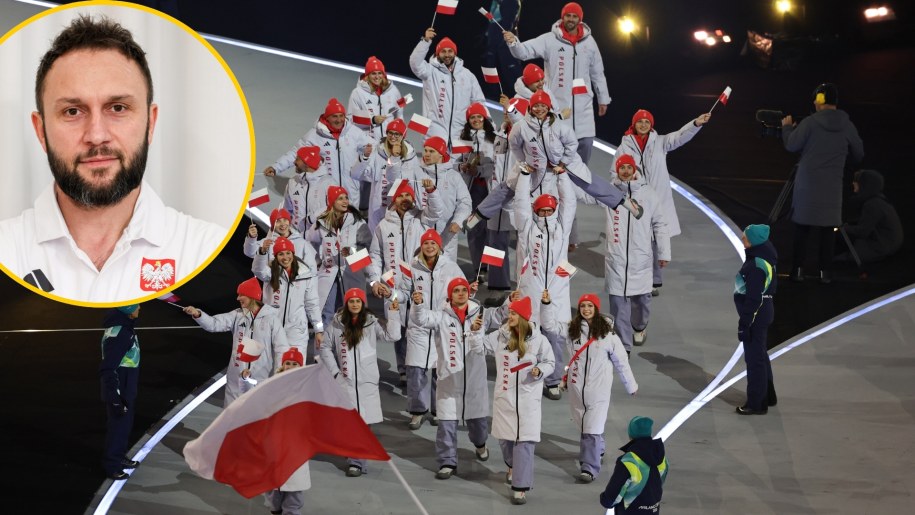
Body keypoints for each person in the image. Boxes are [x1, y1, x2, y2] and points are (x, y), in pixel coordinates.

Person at [0, 14, 226, 303]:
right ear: (41, 130)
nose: (96, 135)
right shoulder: (5, 250)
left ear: (151, 123)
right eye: (72, 111)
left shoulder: (209, 250)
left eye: (117, 108)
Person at [541, 292, 637, 483]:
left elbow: (621, 362)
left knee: (590, 429)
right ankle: (598, 448)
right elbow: (549, 325)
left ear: (596, 308)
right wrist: (546, 304)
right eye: (583, 305)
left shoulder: (608, 335)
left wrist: (631, 385)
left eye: (590, 306)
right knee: (585, 425)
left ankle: (589, 468)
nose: (586, 309)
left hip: (599, 390)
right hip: (577, 390)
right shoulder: (573, 329)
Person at [469, 295, 555, 505]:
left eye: (514, 313)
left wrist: (539, 370)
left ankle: (520, 487)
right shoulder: (501, 336)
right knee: (506, 441)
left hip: (527, 401)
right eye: (509, 313)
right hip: (504, 398)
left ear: (524, 316)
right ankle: (512, 465)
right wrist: (475, 332)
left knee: (524, 444)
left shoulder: (539, 340)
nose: (509, 316)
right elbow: (479, 349)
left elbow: (550, 362)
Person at [616, 110, 710, 296]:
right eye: (640, 122)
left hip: (658, 201)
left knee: (657, 241)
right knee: (640, 242)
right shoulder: (624, 147)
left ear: (651, 124)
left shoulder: (660, 143)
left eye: (646, 122)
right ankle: (644, 281)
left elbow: (680, 137)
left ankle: (654, 279)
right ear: (633, 124)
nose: (643, 125)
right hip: (636, 202)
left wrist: (696, 123)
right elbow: (615, 172)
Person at [502, 2, 610, 165]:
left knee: (585, 150)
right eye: (568, 15)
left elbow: (597, 71)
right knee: (558, 158)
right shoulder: (549, 40)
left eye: (574, 16)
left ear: (580, 19)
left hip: (583, 109)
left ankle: (578, 188)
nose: (571, 19)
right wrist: (513, 43)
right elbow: (524, 52)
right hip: (557, 107)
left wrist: (603, 98)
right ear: (562, 17)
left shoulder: (589, 43)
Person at [411, 277, 493, 480]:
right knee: (446, 425)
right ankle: (447, 461)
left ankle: (480, 444)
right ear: (450, 295)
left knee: (479, 426)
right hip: (449, 380)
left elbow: (501, 316)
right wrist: (419, 304)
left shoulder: (479, 313)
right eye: (456, 290)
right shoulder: (441, 316)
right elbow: (421, 320)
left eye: (463, 290)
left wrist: (510, 303)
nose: (461, 293)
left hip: (474, 381)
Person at [782, 83, 864, 284]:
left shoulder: (810, 123)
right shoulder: (847, 125)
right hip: (833, 186)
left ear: (818, 101)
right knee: (827, 230)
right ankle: (825, 274)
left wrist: (786, 128)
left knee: (802, 227)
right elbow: (859, 153)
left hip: (807, 184)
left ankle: (797, 271)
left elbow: (792, 145)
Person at [318, 288, 401, 477]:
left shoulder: (371, 323)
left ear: (363, 304)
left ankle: (356, 460)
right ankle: (356, 458)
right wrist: (335, 372)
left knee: (363, 424)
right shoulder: (337, 324)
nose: (355, 304)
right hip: (345, 381)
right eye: (351, 301)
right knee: (351, 424)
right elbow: (325, 348)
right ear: (346, 304)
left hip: (367, 382)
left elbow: (393, 336)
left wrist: (394, 314)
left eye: (358, 301)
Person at [366, 178, 441, 384]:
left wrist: (431, 191)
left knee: (419, 325)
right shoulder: (382, 226)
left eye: (408, 195)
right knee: (397, 328)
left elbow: (436, 212)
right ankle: (403, 369)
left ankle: (422, 366)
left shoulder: (422, 219)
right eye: (401, 195)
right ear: (394, 198)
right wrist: (374, 282)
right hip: (393, 286)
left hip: (420, 284)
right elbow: (375, 256)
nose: (405, 199)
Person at [514, 158, 575, 399]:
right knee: (528, 335)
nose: (546, 213)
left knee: (555, 337)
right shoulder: (527, 228)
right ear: (536, 211)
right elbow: (520, 204)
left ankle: (553, 379)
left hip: (557, 291)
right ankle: (526, 373)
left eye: (550, 210)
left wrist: (562, 176)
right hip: (531, 288)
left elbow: (569, 203)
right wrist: (524, 177)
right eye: (542, 210)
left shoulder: (562, 229)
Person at [594, 154, 669, 350]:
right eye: (622, 168)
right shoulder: (609, 192)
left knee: (642, 302)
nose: (626, 171)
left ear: (634, 170)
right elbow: (587, 192)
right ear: (617, 170)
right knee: (618, 305)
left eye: (629, 167)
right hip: (616, 260)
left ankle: (639, 326)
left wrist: (663, 253)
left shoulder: (648, 194)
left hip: (641, 260)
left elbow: (660, 224)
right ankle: (622, 345)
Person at [183, 277, 289, 406]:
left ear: (252, 296)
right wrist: (198, 314)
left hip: (259, 377)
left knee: (254, 416)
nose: (237, 298)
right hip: (236, 378)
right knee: (230, 416)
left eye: (241, 295)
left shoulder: (271, 319)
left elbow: (282, 348)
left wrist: (280, 372)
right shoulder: (237, 315)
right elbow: (214, 324)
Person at [404, 230, 472, 431]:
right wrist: (391, 294)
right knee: (416, 371)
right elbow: (402, 291)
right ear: (421, 246)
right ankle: (417, 411)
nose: (430, 246)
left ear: (440, 246)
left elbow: (462, 291)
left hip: (442, 323)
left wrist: (470, 291)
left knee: (438, 371)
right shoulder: (412, 267)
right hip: (419, 324)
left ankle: (437, 410)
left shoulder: (451, 267)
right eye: (426, 243)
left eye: (433, 243)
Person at [264, 98, 374, 208]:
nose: (339, 120)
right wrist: (276, 167)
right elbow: (295, 153)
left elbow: (374, 146)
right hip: (327, 189)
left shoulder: (353, 132)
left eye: (341, 116)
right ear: (327, 117)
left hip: (351, 189)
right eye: (334, 116)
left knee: (350, 220)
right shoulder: (315, 135)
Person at [306, 186, 372, 328]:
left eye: (346, 198)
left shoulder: (358, 221)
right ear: (331, 201)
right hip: (329, 272)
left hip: (352, 270)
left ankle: (350, 347)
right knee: (327, 312)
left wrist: (352, 251)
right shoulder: (321, 223)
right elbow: (309, 242)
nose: (345, 201)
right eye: (340, 198)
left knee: (352, 313)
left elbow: (367, 246)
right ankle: (325, 347)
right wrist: (317, 262)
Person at [252, 236, 324, 364]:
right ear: (275, 255)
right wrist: (262, 252)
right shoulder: (270, 272)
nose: (285, 257)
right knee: (274, 371)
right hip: (272, 329)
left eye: (288, 253)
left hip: (297, 331)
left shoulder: (305, 274)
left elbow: (312, 304)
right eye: (280, 254)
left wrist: (319, 330)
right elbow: (258, 270)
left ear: (293, 253)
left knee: (296, 370)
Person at [409, 28, 485, 148]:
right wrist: (425, 41)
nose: (447, 55)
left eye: (450, 51)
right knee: (435, 165)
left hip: (462, 131)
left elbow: (479, 102)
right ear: (438, 53)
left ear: (455, 53)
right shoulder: (430, 71)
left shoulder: (467, 75)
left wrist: (485, 126)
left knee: (460, 165)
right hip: (435, 129)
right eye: (443, 51)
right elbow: (415, 63)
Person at [734, 224, 778, 415]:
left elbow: (754, 298)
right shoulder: (763, 259)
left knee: (754, 360)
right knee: (760, 354)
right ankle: (767, 395)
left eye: (745, 237)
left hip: (756, 315)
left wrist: (744, 323)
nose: (742, 239)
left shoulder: (756, 266)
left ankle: (756, 403)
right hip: (764, 312)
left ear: (752, 241)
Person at [349, 118, 421, 231]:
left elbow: (416, 182)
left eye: (397, 134)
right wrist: (364, 158)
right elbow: (355, 174)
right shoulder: (377, 153)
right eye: (390, 133)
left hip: (403, 207)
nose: (393, 136)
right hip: (379, 207)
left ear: (403, 136)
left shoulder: (411, 156)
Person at [265, 347, 311, 515]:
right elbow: (255, 402)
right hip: (274, 444)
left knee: (294, 489)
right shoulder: (272, 385)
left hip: (296, 446)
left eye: (294, 363)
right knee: (273, 491)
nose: (290, 366)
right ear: (282, 365)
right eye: (288, 363)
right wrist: (244, 379)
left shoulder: (306, 387)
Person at [99, 304, 142, 480]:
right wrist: (115, 398)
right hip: (120, 389)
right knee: (118, 426)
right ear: (128, 310)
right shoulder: (122, 334)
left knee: (123, 426)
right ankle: (112, 465)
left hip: (125, 385)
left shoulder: (122, 327)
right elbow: (108, 368)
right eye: (137, 305)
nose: (140, 308)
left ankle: (119, 456)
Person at [599, 416, 668, 514]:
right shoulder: (662, 459)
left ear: (631, 434)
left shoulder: (629, 461)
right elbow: (658, 482)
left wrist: (605, 499)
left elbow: (612, 497)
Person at [418, 136, 472, 261]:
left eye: (431, 151)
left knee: (446, 275)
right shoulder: (418, 173)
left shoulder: (453, 176)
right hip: (423, 234)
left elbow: (465, 202)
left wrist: (458, 221)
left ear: (441, 154)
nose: (426, 154)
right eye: (425, 150)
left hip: (447, 235)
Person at [263, 145, 335, 236]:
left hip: (320, 240)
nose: (294, 162)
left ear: (306, 162)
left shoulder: (329, 183)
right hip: (296, 238)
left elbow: (336, 210)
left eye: (297, 159)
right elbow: (286, 211)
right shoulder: (293, 182)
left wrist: (312, 218)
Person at [838, 169, 903, 265]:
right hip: (889, 244)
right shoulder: (880, 200)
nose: (853, 184)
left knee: (837, 257)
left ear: (865, 185)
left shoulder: (872, 204)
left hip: (881, 246)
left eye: (857, 182)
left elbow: (862, 232)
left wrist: (842, 228)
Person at [347, 56, 404, 141]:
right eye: (373, 73)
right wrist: (372, 120)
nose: (377, 77)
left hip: (389, 142)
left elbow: (399, 113)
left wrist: (400, 131)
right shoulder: (357, 93)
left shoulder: (393, 90)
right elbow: (351, 119)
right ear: (367, 75)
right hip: (368, 143)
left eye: (380, 73)